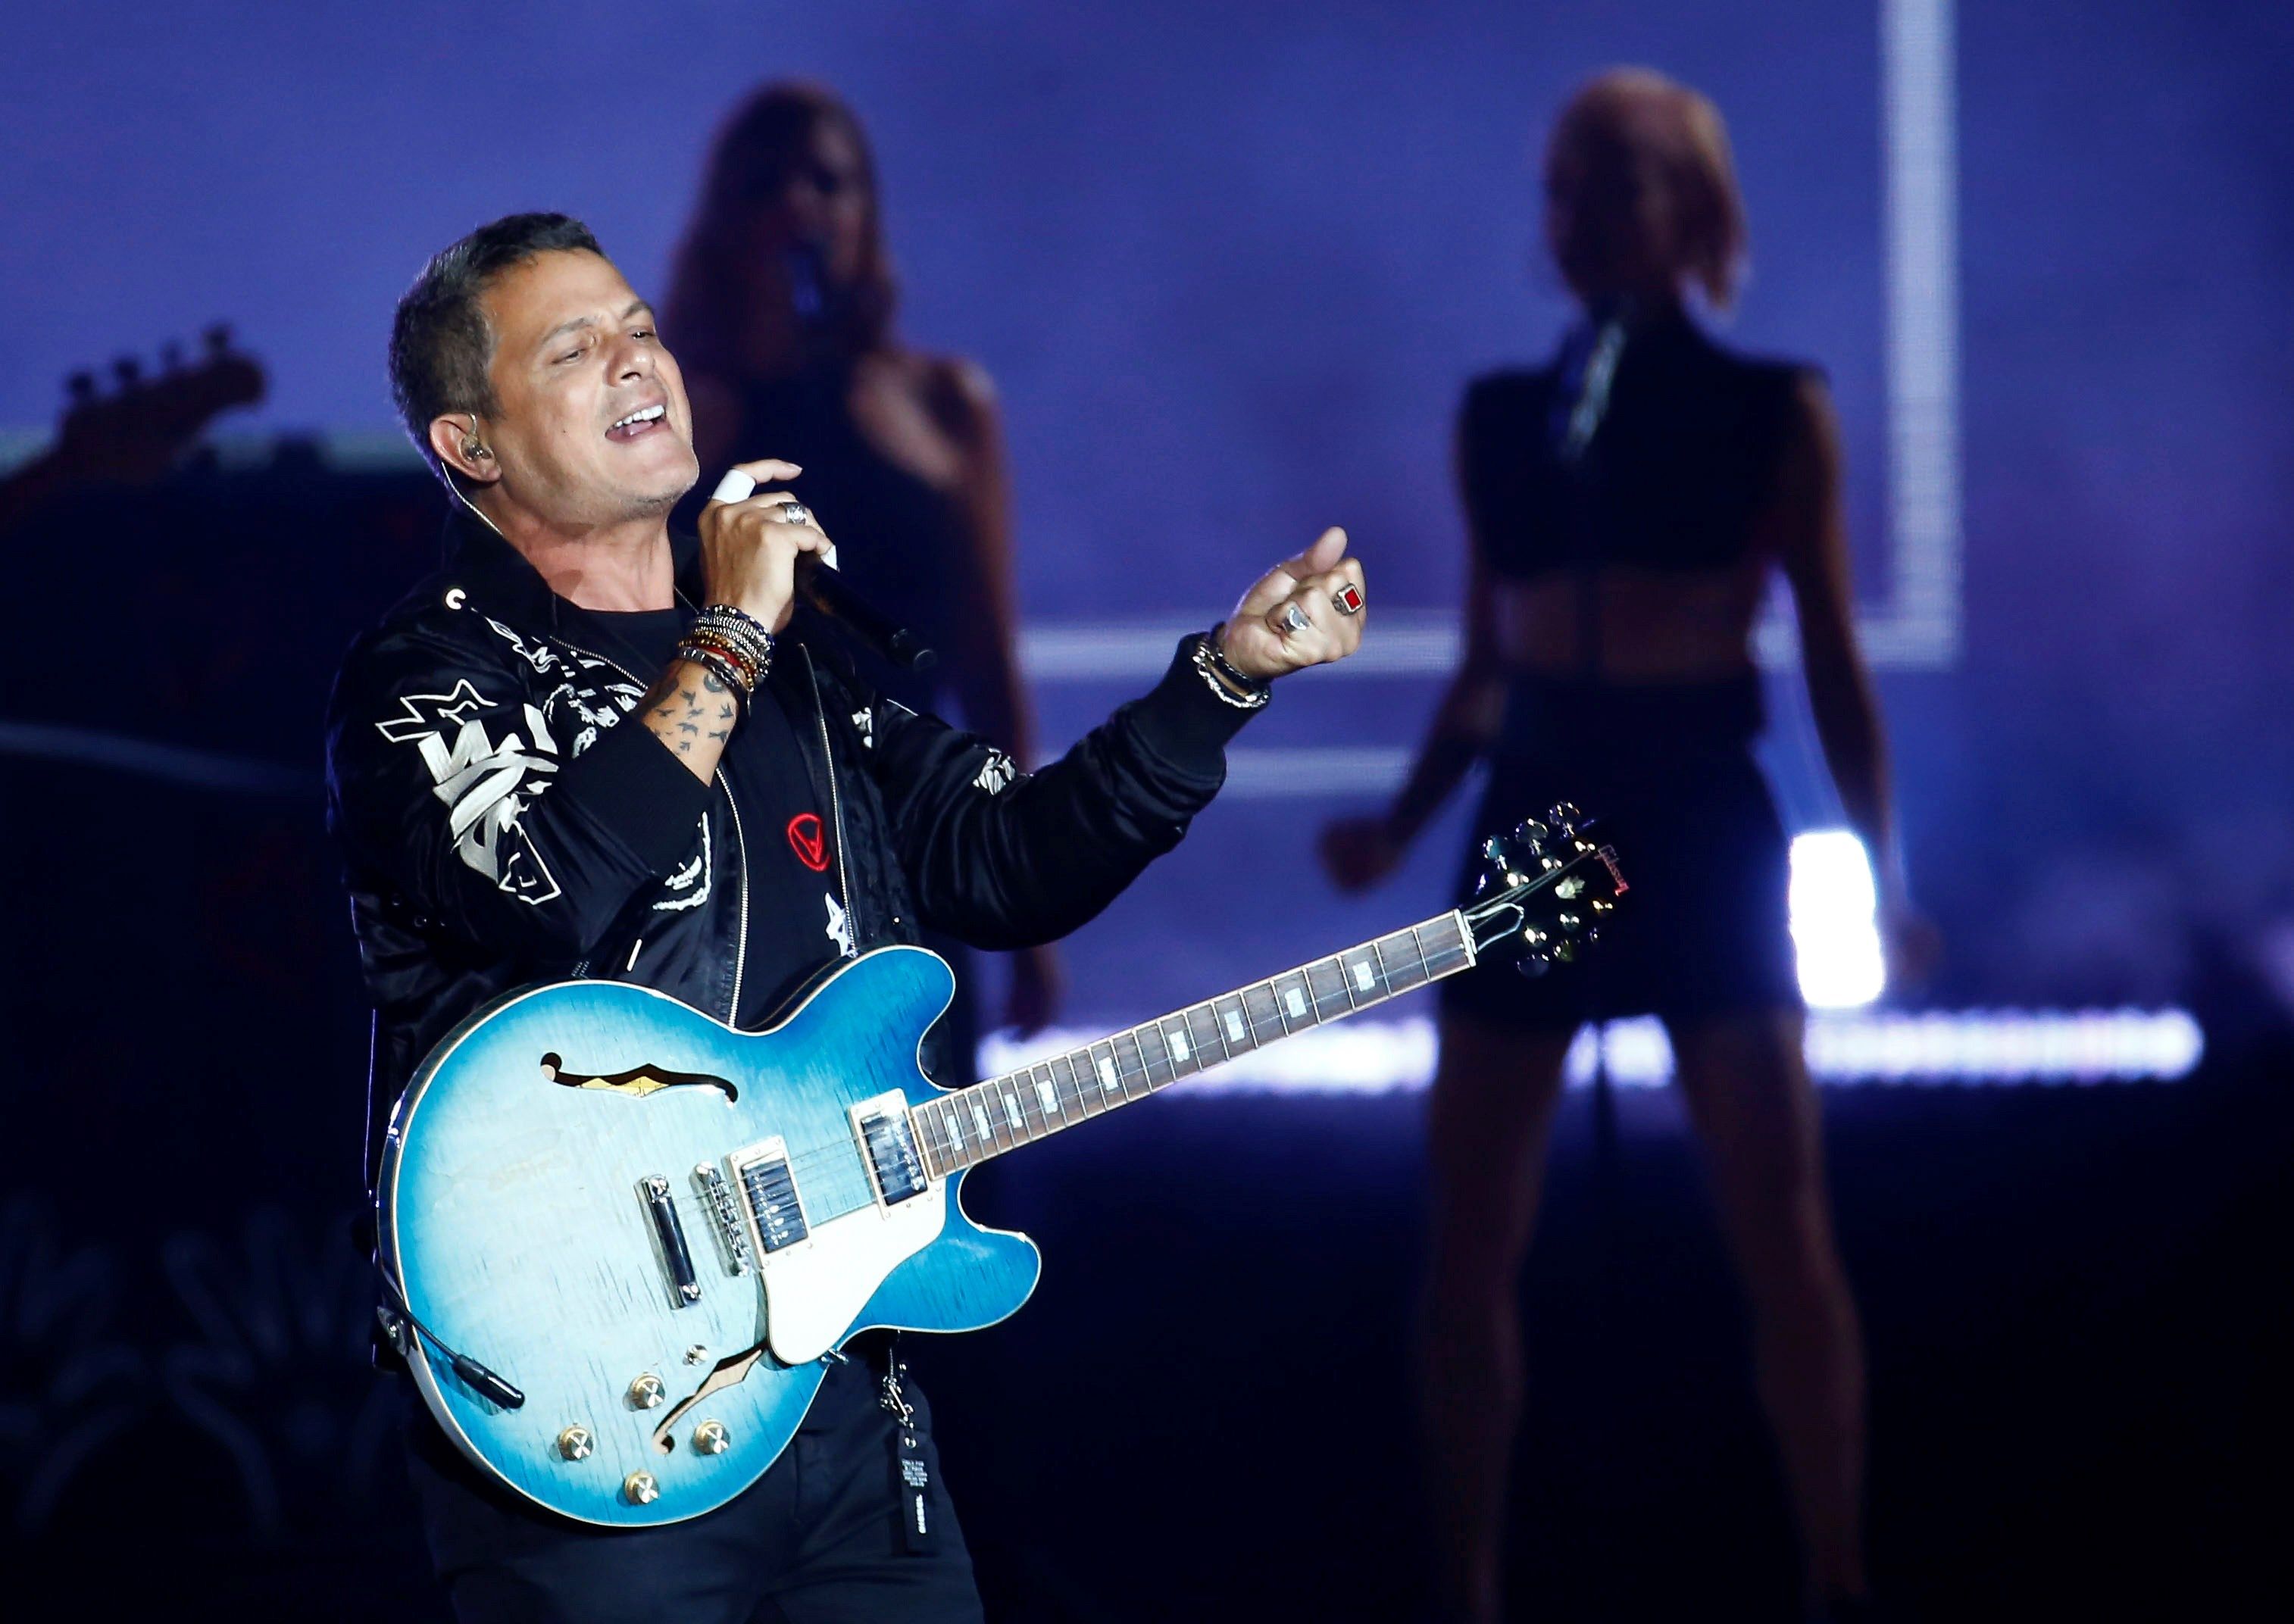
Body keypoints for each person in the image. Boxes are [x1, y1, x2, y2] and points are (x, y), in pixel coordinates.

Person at [327, 211, 1366, 1623]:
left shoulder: (806, 672)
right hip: (588, 1409)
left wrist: (1225, 682)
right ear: (473, 445)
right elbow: (546, 898)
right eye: (576, 350)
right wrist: (734, 632)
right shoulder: (428, 672)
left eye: (641, 327)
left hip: (847, 1405)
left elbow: (1007, 864)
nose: (640, 363)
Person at [1319, 70, 1927, 1622]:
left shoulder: (1768, 408)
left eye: (1630, 180)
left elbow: (1834, 656)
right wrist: (1396, 826)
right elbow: (1485, 655)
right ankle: (1463, 1582)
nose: (1592, 211)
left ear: (1696, 211)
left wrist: (1886, 867)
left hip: (1699, 810)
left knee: (1776, 1217)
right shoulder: (1505, 419)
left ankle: (1834, 1567)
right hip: (1532, 808)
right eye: (1571, 184)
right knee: (1467, 1231)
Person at [664, 81, 1055, 1064]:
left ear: (865, 212)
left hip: (909, 841)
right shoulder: (676, 413)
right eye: (766, 186)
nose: (799, 206)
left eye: (827, 182)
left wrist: (1032, 908)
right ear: (724, 220)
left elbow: (990, 668)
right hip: (741, 852)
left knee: (931, 1149)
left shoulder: (943, 402)